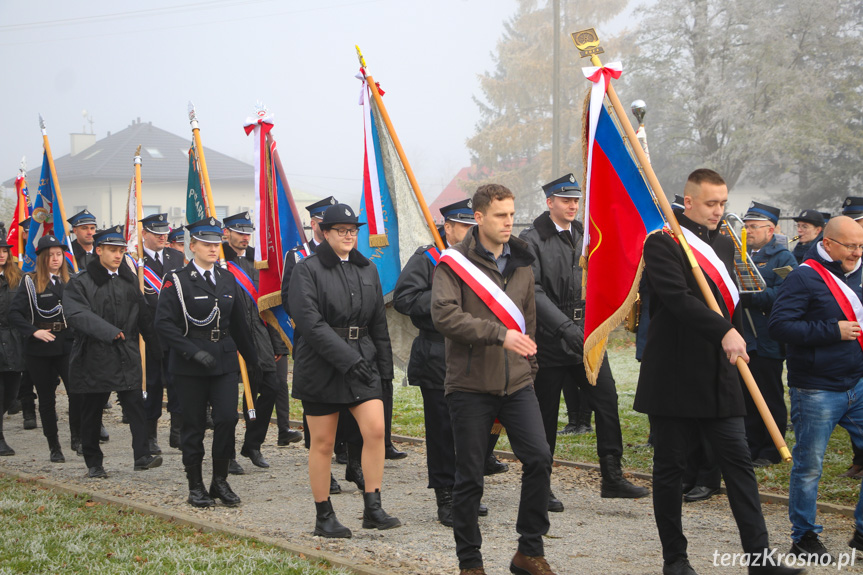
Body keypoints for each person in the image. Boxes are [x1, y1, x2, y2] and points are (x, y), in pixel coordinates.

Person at [634, 169, 801, 575]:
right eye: (711, 203)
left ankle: (760, 559)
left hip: (719, 374)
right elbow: (675, 300)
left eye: (724, 203)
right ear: (688, 202)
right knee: (671, 470)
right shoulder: (661, 243)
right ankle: (675, 558)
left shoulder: (725, 245)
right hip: (674, 374)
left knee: (739, 464)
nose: (719, 211)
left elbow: (733, 301)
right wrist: (724, 331)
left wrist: (738, 336)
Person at [432, 184, 555, 575]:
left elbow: (529, 323)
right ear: (479, 217)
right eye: (501, 215)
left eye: (512, 214)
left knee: (539, 458)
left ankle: (528, 551)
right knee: (469, 477)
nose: (509, 222)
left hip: (517, 384)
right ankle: (470, 562)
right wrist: (500, 335)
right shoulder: (452, 264)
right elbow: (445, 317)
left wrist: (529, 371)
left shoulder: (522, 261)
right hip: (470, 386)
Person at [520, 173, 648, 510]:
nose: (573, 205)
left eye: (576, 200)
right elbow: (533, 290)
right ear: (549, 203)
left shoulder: (587, 234)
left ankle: (612, 475)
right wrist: (563, 327)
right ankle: (540, 485)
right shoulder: (531, 239)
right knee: (545, 415)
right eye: (565, 200)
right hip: (550, 339)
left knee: (606, 403)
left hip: (588, 336)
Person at [289, 203, 400, 539]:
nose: (349, 235)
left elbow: (378, 322)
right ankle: (324, 515)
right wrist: (349, 360)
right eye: (341, 230)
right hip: (321, 364)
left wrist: (384, 369)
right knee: (322, 442)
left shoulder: (367, 269)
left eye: (353, 230)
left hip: (362, 359)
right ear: (324, 232)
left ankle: (373, 505)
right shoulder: (306, 269)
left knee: (376, 430)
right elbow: (311, 324)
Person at [393, 198, 494, 526]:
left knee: (472, 428)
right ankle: (445, 495)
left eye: (472, 227)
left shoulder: (481, 258)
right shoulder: (428, 258)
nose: (468, 232)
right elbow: (403, 298)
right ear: (447, 227)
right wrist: (443, 301)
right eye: (462, 226)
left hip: (474, 355)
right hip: (437, 354)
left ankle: (466, 490)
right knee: (442, 430)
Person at [769, 215, 863, 561]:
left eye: (861, 245)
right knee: (809, 466)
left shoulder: (860, 270)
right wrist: (831, 330)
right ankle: (804, 536)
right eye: (850, 246)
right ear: (828, 242)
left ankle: (862, 533)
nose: (856, 253)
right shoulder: (804, 277)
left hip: (858, 382)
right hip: (816, 388)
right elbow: (779, 326)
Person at [154, 217, 259, 508]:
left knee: (226, 418)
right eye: (207, 244)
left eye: (216, 244)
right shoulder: (176, 280)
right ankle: (195, 484)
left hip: (223, 359)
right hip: (190, 365)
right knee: (194, 425)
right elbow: (163, 324)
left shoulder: (226, 278)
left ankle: (220, 480)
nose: (214, 250)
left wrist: (253, 360)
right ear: (193, 246)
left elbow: (239, 323)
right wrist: (191, 351)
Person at [64, 226, 163, 478]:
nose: (118, 255)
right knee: (92, 411)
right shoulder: (81, 281)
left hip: (126, 354)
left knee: (135, 406)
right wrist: (108, 331)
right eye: (112, 250)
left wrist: (158, 349)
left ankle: (141, 456)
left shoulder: (128, 280)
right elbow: (76, 314)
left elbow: (143, 316)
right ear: (99, 251)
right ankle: (94, 463)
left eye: (121, 251)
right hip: (94, 355)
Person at [281, 196, 349, 495]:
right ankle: (322, 466)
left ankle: (348, 455)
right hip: (312, 340)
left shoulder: (346, 253)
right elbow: (287, 298)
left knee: (346, 401)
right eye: (325, 223)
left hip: (344, 340)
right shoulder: (297, 257)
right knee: (318, 406)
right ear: (315, 224)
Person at [221, 212, 295, 468]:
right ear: (226, 233)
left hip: (259, 335)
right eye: (239, 232)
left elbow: (270, 304)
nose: (244, 237)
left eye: (247, 232)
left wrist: (276, 344)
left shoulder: (258, 260)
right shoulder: (218, 259)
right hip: (230, 337)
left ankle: (252, 444)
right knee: (227, 400)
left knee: (271, 387)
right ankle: (227, 454)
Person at [9, 235, 83, 463]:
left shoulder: (70, 280)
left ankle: (77, 438)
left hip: (66, 342)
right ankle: (54, 445)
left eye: (59, 254)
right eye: (50, 255)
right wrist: (33, 331)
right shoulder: (30, 282)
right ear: (41, 258)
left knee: (77, 393)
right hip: (40, 347)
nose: (55, 259)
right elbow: (14, 314)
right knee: (47, 399)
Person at [738, 202, 797, 467]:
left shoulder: (783, 258)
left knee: (769, 395)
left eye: (753, 227)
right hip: (746, 337)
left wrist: (751, 297)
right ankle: (751, 445)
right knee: (749, 396)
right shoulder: (742, 254)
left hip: (768, 338)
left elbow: (786, 294)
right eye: (747, 226)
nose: (748, 231)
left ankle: (772, 449)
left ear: (770, 229)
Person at [139, 213, 186, 455]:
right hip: (148, 334)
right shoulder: (134, 261)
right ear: (144, 234)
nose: (161, 235)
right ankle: (150, 435)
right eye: (156, 232)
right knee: (153, 384)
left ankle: (176, 432)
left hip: (175, 331)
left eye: (164, 231)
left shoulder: (177, 257)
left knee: (177, 381)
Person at [0, 226, 23, 456]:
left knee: (11, 394)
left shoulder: (17, 277)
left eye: (5, 250)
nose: (2, 254)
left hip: (14, 342)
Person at [15, 217, 38, 431]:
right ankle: (28, 408)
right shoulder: (19, 264)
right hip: (22, 327)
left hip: (43, 325)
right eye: (31, 232)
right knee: (26, 372)